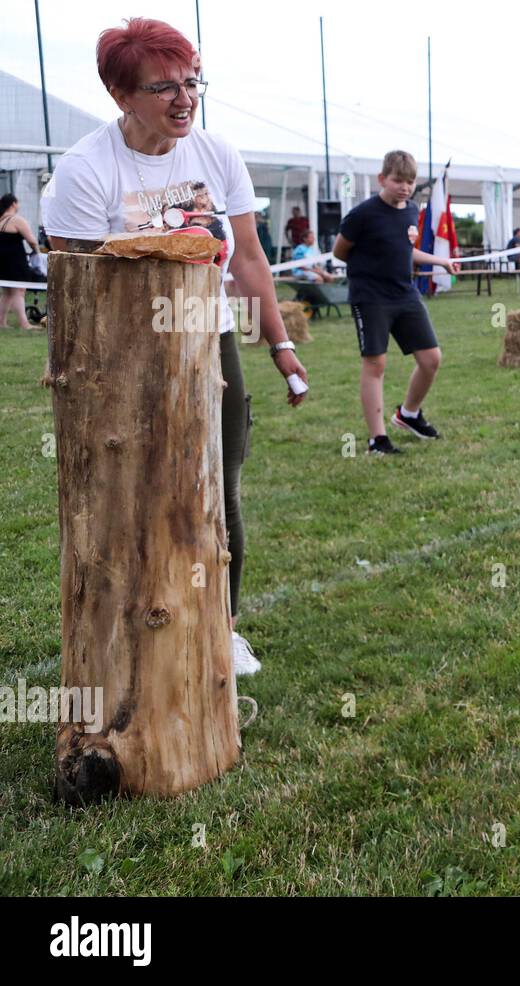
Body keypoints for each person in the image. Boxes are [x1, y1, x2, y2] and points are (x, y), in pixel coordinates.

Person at [39, 17, 310, 676]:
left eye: (192, 82)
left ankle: (223, 626)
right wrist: (73, 366)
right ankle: (129, 627)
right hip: (122, 351)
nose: (184, 98)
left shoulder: (217, 156)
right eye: (164, 87)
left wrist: (279, 346)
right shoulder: (84, 170)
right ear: (122, 96)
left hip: (205, 340)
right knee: (130, 491)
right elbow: (73, 285)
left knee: (219, 489)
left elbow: (247, 260)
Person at [333, 149, 460, 455]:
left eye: (410, 181)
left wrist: (440, 261)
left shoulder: (412, 210)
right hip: (371, 297)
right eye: (397, 180)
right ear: (382, 179)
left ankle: (408, 414)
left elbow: (405, 251)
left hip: (405, 294)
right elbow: (340, 251)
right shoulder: (362, 214)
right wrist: (369, 267)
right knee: (376, 364)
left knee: (431, 359)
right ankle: (377, 439)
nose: (404, 187)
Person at [0, 194, 41, 330]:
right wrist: (37, 252)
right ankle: (24, 323)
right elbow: (31, 239)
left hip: (3, 262)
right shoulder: (17, 220)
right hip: (15, 261)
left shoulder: (1, 221)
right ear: (13, 204)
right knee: (18, 290)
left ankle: (2, 322)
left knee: (7, 292)